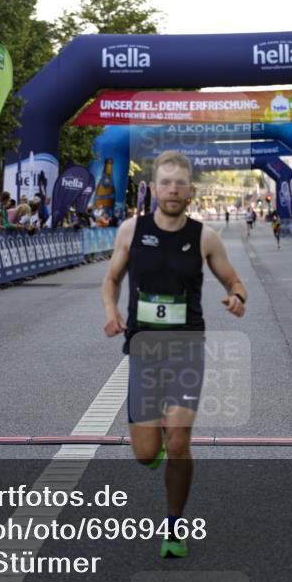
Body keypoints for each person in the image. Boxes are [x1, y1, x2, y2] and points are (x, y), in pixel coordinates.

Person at [101, 150, 247, 559]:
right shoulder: (130, 231)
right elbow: (111, 280)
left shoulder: (205, 237)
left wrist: (236, 296)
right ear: (153, 188)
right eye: (165, 183)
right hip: (145, 349)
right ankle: (155, 449)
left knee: (180, 441)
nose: (172, 190)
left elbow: (235, 280)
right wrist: (111, 310)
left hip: (186, 349)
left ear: (191, 191)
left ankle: (174, 525)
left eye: (180, 183)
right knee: (146, 454)